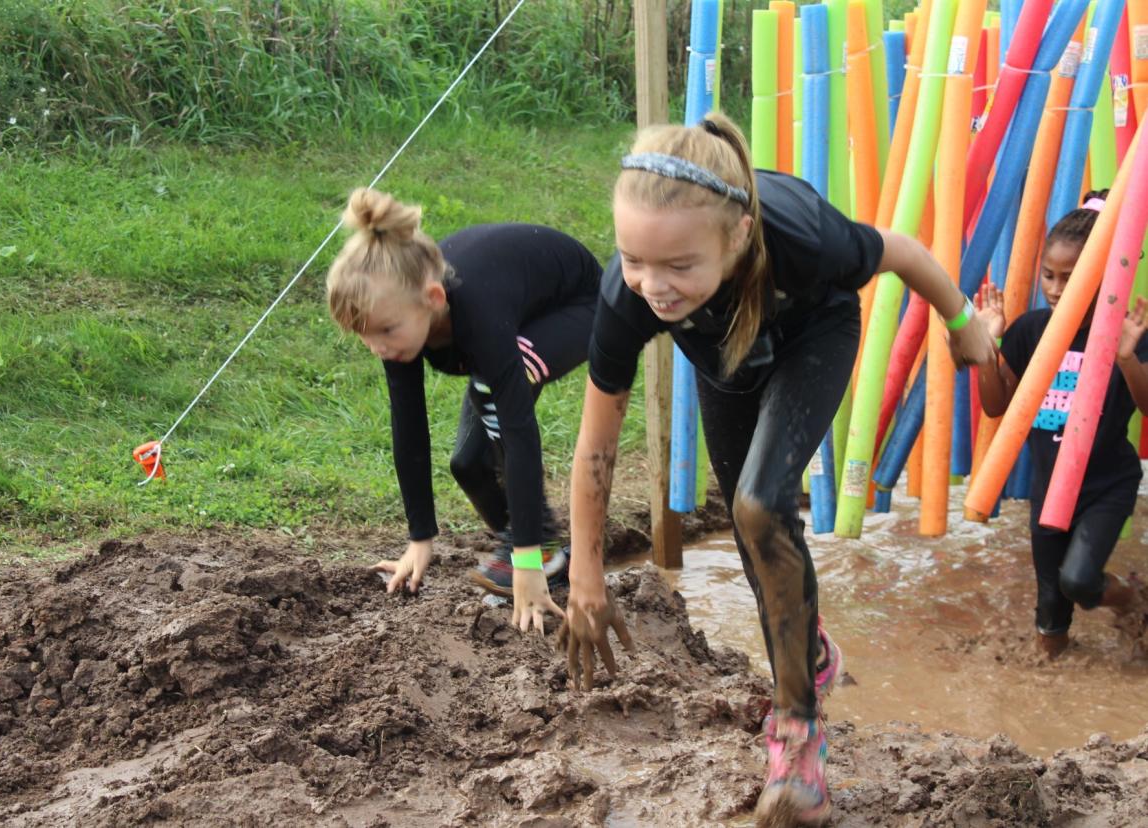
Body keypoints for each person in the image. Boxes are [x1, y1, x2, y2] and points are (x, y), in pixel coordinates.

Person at [557, 113, 995, 826]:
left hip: (813, 335)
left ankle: (797, 739)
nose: (652, 286)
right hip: (727, 363)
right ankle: (811, 649)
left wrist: (961, 321)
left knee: (762, 505)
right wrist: (585, 573)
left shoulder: (803, 239)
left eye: (676, 266)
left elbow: (905, 251)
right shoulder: (626, 294)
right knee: (750, 536)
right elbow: (597, 444)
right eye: (633, 259)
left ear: (733, 238)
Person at [326, 188, 602, 631]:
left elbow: (518, 429)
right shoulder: (398, 322)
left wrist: (526, 559)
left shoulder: (476, 312)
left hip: (580, 305)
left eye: (386, 331)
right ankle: (537, 548)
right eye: (366, 335)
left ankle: (535, 552)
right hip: (515, 310)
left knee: (495, 398)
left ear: (434, 299)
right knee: (469, 465)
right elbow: (409, 425)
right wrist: (420, 538)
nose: (378, 346)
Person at [975, 191, 1148, 660]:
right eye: (1048, 275)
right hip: (1048, 487)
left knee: (1078, 582)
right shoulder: (1031, 330)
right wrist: (988, 347)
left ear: (1101, 273)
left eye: (1069, 278)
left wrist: (1128, 357)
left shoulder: (1124, 333)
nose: (1053, 287)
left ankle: (1133, 600)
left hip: (1106, 484)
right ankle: (1048, 697)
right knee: (1049, 616)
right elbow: (996, 406)